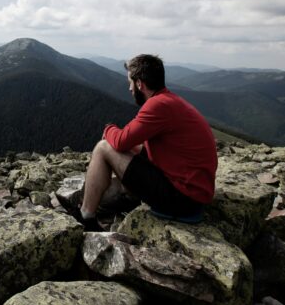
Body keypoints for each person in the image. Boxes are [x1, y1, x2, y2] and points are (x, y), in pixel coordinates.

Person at [69, 54, 217, 231]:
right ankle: (100, 202)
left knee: (103, 148)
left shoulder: (157, 105)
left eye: (130, 83)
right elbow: (145, 150)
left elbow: (120, 141)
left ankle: (86, 216)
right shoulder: (170, 101)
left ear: (140, 84)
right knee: (128, 152)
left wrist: (108, 129)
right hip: (192, 197)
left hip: (182, 200)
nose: (130, 89)